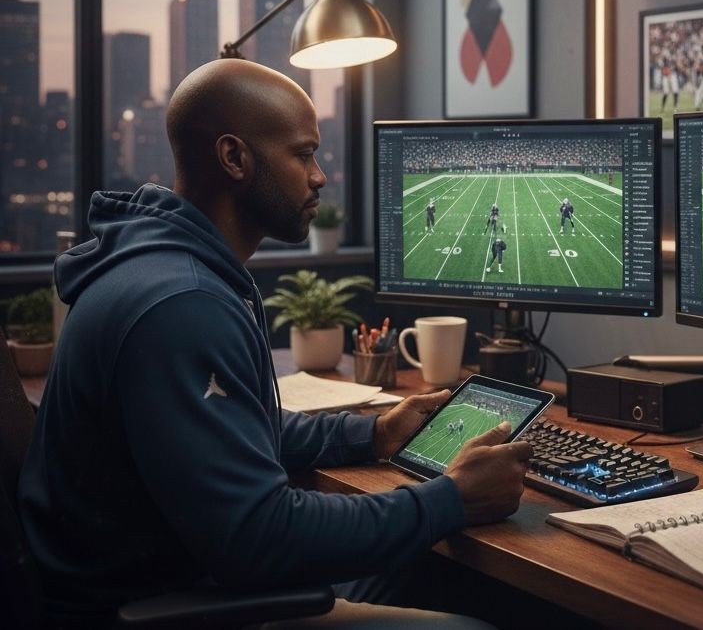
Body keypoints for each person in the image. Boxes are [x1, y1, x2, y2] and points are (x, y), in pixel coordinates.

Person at [18, 59, 529, 628]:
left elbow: (228, 430)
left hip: (180, 577)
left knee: (436, 575)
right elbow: (260, 538)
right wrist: (452, 498)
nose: (320, 177)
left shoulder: (163, 268)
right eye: (303, 154)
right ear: (234, 157)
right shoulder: (183, 304)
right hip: (165, 606)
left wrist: (373, 433)